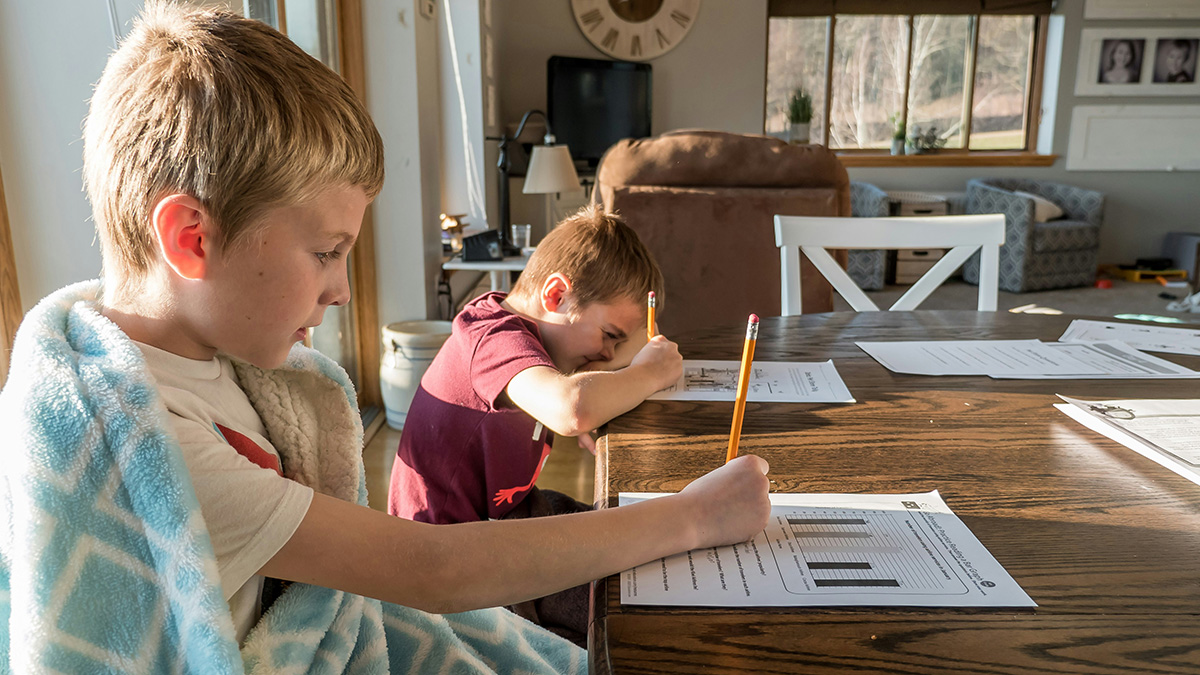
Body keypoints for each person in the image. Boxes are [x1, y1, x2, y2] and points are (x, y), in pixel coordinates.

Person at [0, 4, 772, 672]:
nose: (341, 288)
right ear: (192, 239)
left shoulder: (203, 357)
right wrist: (693, 516)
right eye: (326, 252)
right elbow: (430, 568)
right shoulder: (150, 444)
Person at [388, 206, 680, 642]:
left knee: (637, 549)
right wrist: (647, 375)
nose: (609, 355)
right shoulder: (491, 338)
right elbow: (571, 408)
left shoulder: (535, 334)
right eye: (609, 336)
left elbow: (576, 395)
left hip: (508, 515)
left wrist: (611, 382)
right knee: (624, 608)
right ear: (556, 295)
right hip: (449, 562)